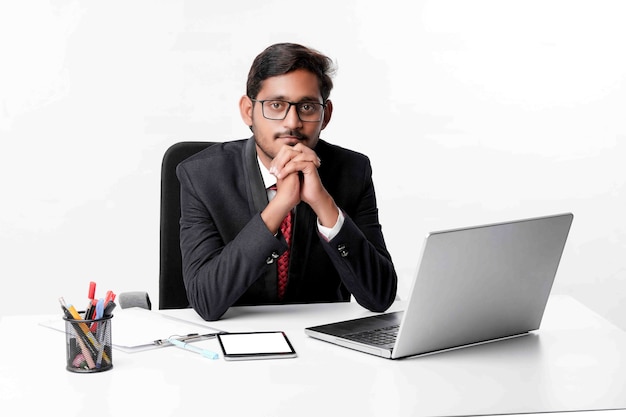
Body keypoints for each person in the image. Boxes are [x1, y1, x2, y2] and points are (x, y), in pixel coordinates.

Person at [177, 43, 397, 321]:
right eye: (276, 105)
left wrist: (323, 204)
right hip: (231, 338)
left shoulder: (353, 171)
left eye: (306, 106)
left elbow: (380, 297)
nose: (292, 122)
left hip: (322, 342)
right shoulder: (201, 175)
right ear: (248, 111)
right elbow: (206, 301)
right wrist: (280, 205)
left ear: (325, 115)